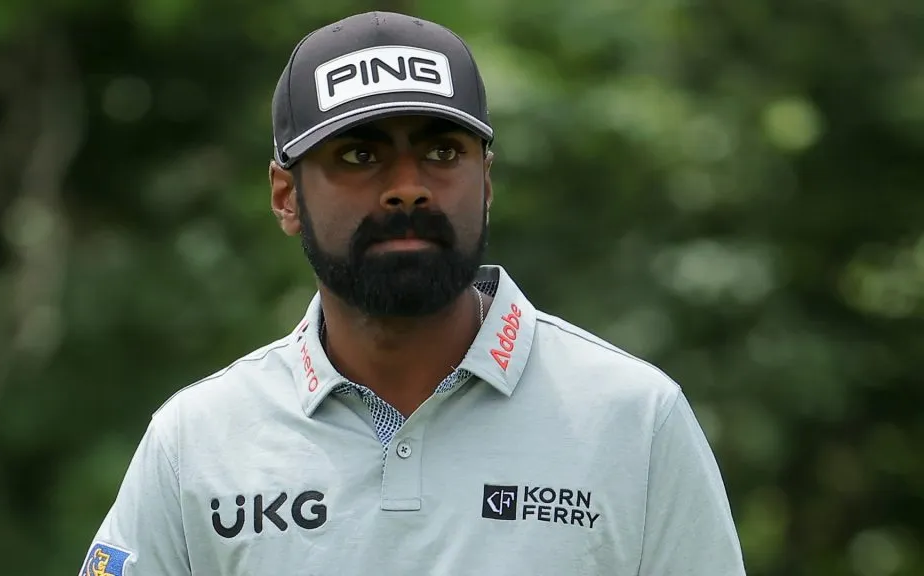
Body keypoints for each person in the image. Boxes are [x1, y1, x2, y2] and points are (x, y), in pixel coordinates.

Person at [78, 10, 747, 576]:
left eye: (443, 153)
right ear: (286, 196)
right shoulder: (197, 442)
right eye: (359, 155)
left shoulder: (635, 420)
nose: (408, 187)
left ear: (486, 182)